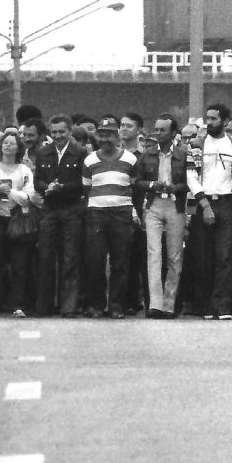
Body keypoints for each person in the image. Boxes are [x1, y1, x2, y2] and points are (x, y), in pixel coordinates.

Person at [186, 103, 232, 320]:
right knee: (203, 257)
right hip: (204, 203)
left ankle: (223, 305)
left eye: (214, 119)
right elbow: (191, 175)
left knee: (225, 257)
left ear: (225, 122)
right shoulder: (196, 144)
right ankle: (206, 306)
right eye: (207, 118)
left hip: (227, 203)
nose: (209, 122)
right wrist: (205, 204)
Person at [81, 116, 136, 319]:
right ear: (97, 136)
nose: (106, 138)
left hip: (121, 213)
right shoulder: (89, 160)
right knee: (95, 261)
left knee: (120, 262)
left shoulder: (130, 159)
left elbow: (134, 184)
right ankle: (96, 305)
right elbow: (87, 188)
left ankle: (116, 306)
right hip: (96, 213)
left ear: (116, 135)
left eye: (110, 134)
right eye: (102, 134)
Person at [33, 114, 88, 318]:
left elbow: (83, 183)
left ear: (70, 131)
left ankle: (69, 306)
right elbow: (37, 181)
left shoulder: (80, 153)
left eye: (61, 132)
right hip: (49, 210)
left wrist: (62, 188)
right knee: (46, 257)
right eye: (54, 132)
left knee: (70, 258)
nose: (57, 136)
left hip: (72, 208)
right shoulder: (43, 152)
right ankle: (45, 306)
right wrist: (47, 187)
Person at [135, 114, 189, 318]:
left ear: (173, 133)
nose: (158, 133)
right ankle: (155, 304)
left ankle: (169, 304)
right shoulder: (147, 154)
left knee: (175, 256)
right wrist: (151, 185)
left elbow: (190, 181)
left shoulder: (183, 154)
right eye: (156, 129)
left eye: (162, 130)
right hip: (154, 204)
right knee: (154, 253)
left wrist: (176, 187)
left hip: (175, 204)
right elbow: (138, 181)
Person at [0, 130, 35, 318]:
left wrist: (10, 192)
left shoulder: (24, 170)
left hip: (17, 219)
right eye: (5, 142)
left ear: (19, 147)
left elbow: (28, 197)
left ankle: (17, 304)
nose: (8, 146)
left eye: (12, 143)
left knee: (19, 263)